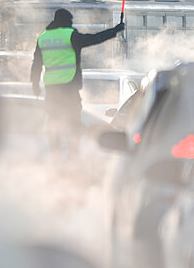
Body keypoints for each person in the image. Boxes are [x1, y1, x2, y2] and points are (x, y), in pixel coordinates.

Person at [31, 8, 124, 157]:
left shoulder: (43, 38)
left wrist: (35, 84)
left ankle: (54, 154)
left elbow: (36, 63)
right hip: (69, 88)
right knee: (73, 122)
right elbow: (94, 38)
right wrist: (115, 30)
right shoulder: (70, 35)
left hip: (51, 89)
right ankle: (73, 155)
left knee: (54, 121)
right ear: (67, 21)